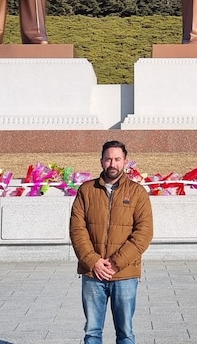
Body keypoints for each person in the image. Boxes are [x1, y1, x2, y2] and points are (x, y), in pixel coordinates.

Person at [69, 140, 154, 344]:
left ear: (125, 161)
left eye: (117, 159)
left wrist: (116, 263)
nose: (112, 164)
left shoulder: (137, 193)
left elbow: (144, 233)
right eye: (108, 159)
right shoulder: (86, 191)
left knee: (125, 332)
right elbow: (77, 229)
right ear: (101, 161)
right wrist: (94, 261)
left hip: (124, 273)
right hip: (93, 273)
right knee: (92, 332)